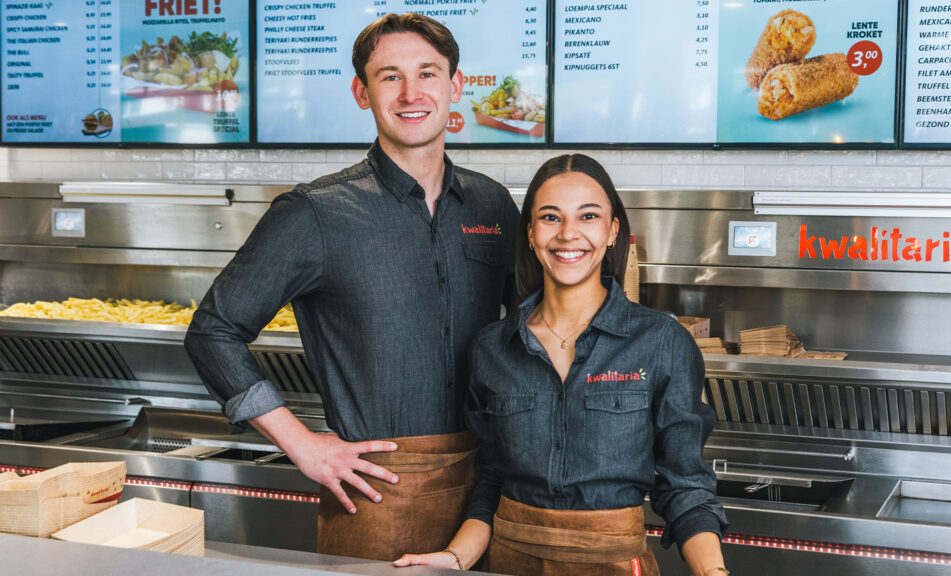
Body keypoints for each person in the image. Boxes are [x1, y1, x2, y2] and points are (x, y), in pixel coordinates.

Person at [183, 13, 519, 562]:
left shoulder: (493, 205)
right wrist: (301, 444)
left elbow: (533, 330)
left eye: (427, 73)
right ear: (362, 93)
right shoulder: (314, 213)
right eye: (390, 77)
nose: (411, 93)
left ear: (456, 86)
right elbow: (213, 331)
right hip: (375, 490)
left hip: (491, 488)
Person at [394, 154, 728, 576]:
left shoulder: (661, 341)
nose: (568, 234)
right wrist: (455, 558)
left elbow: (686, 486)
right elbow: (491, 481)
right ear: (531, 233)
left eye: (588, 216)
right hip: (508, 562)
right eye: (551, 217)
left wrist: (713, 572)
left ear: (612, 231)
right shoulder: (493, 348)